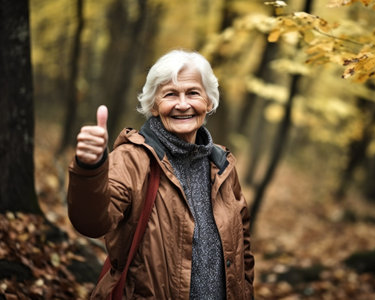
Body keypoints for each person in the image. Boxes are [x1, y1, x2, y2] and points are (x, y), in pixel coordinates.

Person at [67, 49, 255, 299]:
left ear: (208, 102)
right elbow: (92, 221)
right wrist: (90, 168)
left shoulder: (221, 164)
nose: (182, 104)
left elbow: (243, 248)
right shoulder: (132, 159)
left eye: (193, 93)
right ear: (154, 105)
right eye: (170, 94)